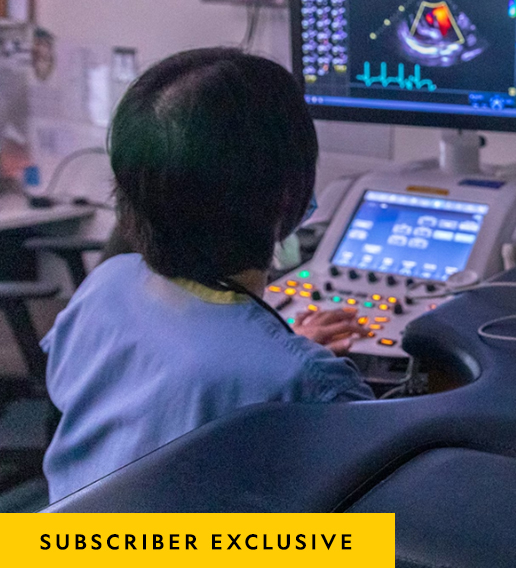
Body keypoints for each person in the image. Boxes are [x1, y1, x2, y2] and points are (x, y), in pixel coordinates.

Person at [42, 48, 373, 502]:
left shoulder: (105, 285)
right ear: (286, 197)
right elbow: (377, 510)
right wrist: (285, 361)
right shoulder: (308, 385)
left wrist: (277, 352)